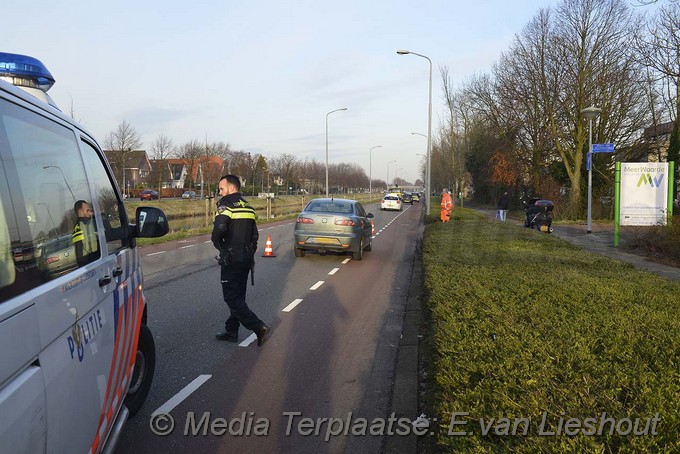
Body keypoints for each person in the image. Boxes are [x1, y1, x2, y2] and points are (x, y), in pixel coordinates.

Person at [212, 174, 271, 346]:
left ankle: (259, 327)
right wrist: (250, 252)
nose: (220, 192)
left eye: (221, 189)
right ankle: (232, 331)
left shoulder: (226, 205)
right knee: (239, 295)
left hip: (231, 257)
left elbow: (219, 229)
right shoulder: (248, 207)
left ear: (231, 188)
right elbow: (255, 235)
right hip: (246, 257)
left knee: (231, 297)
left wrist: (219, 246)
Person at [72, 200, 100, 266]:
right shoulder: (82, 226)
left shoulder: (86, 224)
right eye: (87, 210)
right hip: (90, 264)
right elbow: (80, 250)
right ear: (80, 211)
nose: (90, 211)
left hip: (93, 262)